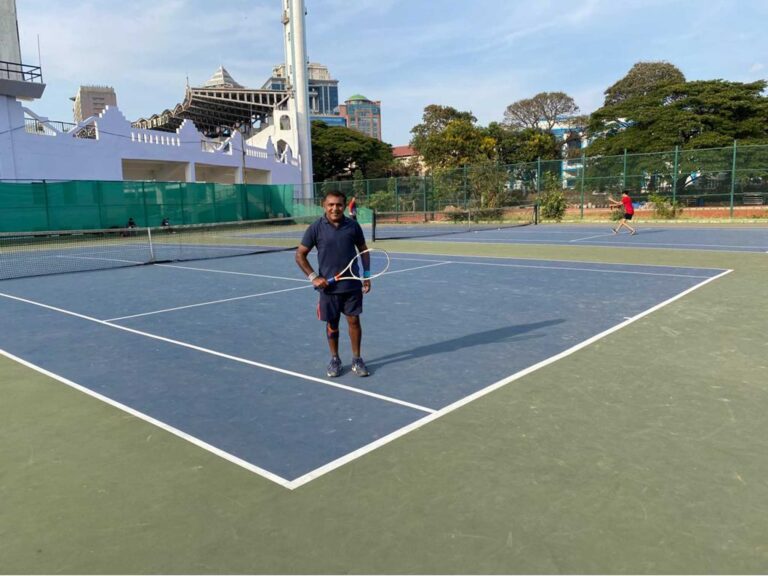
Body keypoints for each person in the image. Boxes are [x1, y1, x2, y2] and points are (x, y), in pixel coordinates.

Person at [296, 191, 371, 378]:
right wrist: (314, 277)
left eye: (338, 205)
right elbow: (300, 255)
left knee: (354, 321)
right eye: (331, 204)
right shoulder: (315, 228)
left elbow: (364, 251)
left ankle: (357, 359)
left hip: (352, 285)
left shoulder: (353, 226)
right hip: (328, 289)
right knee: (332, 323)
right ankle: (335, 359)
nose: (334, 208)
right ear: (324, 206)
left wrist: (367, 275)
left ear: (344, 206)